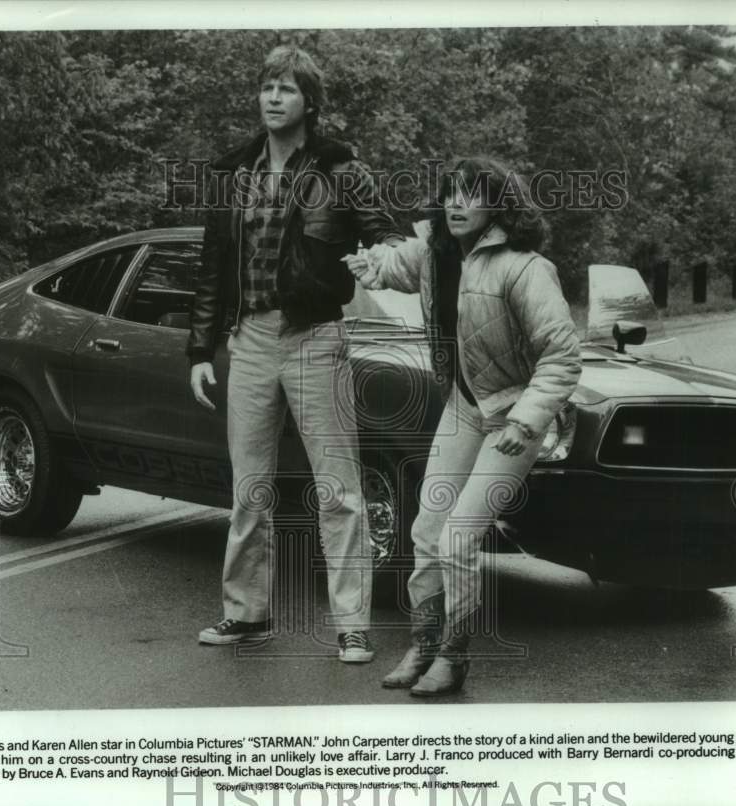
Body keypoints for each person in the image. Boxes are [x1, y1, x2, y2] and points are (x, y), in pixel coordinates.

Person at [187, 45, 403, 663]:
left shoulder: (341, 170)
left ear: (310, 101)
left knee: (338, 490)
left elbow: (386, 232)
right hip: (249, 340)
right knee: (250, 488)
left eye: (286, 89)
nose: (273, 98)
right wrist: (199, 348)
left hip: (314, 338)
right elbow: (212, 270)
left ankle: (352, 625)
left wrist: (378, 261)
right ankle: (246, 615)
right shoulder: (233, 173)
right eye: (266, 88)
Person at [345, 157, 582, 694]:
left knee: (458, 536)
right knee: (427, 530)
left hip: (512, 416)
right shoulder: (434, 250)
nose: (456, 203)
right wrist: (369, 265)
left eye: (470, 194)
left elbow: (563, 356)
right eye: (450, 192)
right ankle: (423, 644)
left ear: (496, 204)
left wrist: (528, 419)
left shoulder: (524, 268)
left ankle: (454, 656)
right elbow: (393, 263)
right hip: (463, 406)